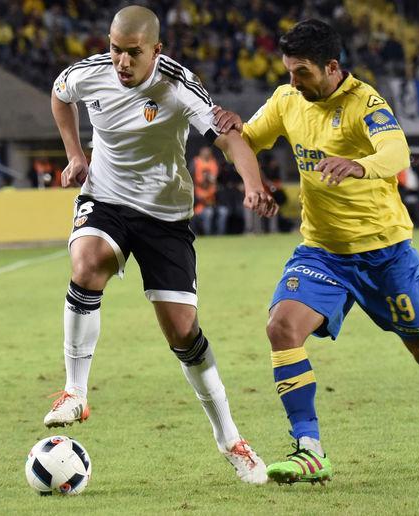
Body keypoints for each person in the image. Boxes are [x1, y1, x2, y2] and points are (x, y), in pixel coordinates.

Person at [213, 19, 419, 485]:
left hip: (385, 254)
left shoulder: (365, 102)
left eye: (301, 72)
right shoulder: (286, 100)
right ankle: (309, 449)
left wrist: (357, 166)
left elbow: (397, 153)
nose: (292, 82)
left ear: (331, 67)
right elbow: (245, 140)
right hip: (322, 252)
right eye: (288, 71)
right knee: (281, 327)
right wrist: (232, 135)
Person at [43, 5, 278, 485]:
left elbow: (228, 137)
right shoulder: (90, 74)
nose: (122, 62)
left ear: (157, 50)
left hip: (165, 215)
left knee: (183, 334)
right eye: (115, 50)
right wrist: (75, 153)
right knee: (87, 265)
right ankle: (74, 392)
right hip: (104, 199)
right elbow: (59, 94)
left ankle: (230, 438)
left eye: (133, 53)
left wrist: (252, 183)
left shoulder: (178, 86)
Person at [192, 146, 219, 235]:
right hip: (199, 206)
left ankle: (219, 235)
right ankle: (207, 236)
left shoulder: (213, 163)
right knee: (208, 213)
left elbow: (215, 181)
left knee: (223, 212)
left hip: (212, 203)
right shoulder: (195, 163)